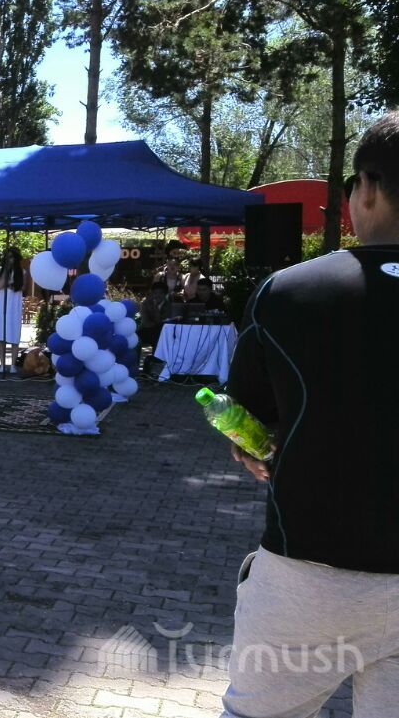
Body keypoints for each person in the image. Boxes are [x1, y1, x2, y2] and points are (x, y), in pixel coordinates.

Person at [220, 111, 399, 717]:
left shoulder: (288, 292)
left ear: (366, 190)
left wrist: (250, 443)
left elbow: (245, 417)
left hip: (309, 576)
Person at [0, 247, 24, 375]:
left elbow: (21, 287)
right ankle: (2, 365)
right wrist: (5, 271)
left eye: (11, 257)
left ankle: (13, 365)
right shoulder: (2, 271)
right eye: (7, 257)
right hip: (2, 305)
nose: (9, 260)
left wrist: (10, 282)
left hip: (14, 305)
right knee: (1, 336)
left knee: (14, 334)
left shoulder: (22, 272)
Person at [136, 281, 172, 348]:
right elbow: (145, 322)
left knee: (160, 334)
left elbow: (162, 322)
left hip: (162, 331)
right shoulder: (146, 304)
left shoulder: (168, 306)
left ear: (165, 294)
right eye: (155, 293)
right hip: (146, 330)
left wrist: (156, 308)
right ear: (152, 293)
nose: (158, 295)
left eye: (161, 293)